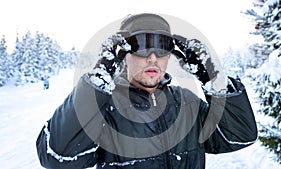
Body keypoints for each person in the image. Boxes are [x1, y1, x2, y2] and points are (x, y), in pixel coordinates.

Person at [36, 13, 258, 169]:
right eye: (141, 46)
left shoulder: (187, 103)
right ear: (123, 54)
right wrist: (98, 81)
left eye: (161, 47)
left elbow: (238, 136)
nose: (153, 57)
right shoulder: (106, 109)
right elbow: (57, 157)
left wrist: (213, 79)